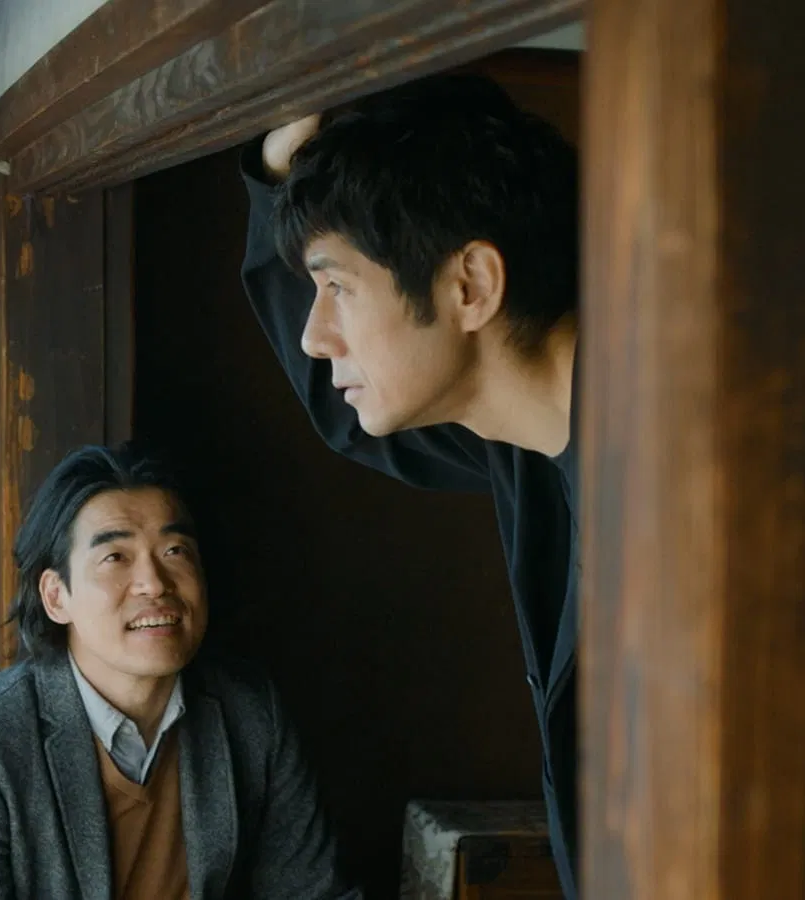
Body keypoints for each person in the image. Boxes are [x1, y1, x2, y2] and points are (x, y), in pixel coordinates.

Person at [239, 74, 582, 898]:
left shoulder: (698, 467)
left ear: (470, 286)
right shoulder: (523, 442)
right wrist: (280, 171)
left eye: (337, 288)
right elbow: (346, 412)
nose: (314, 336)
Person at [0, 443, 358, 900]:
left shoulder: (250, 712)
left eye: (175, 550)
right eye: (115, 557)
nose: (155, 583)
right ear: (56, 596)